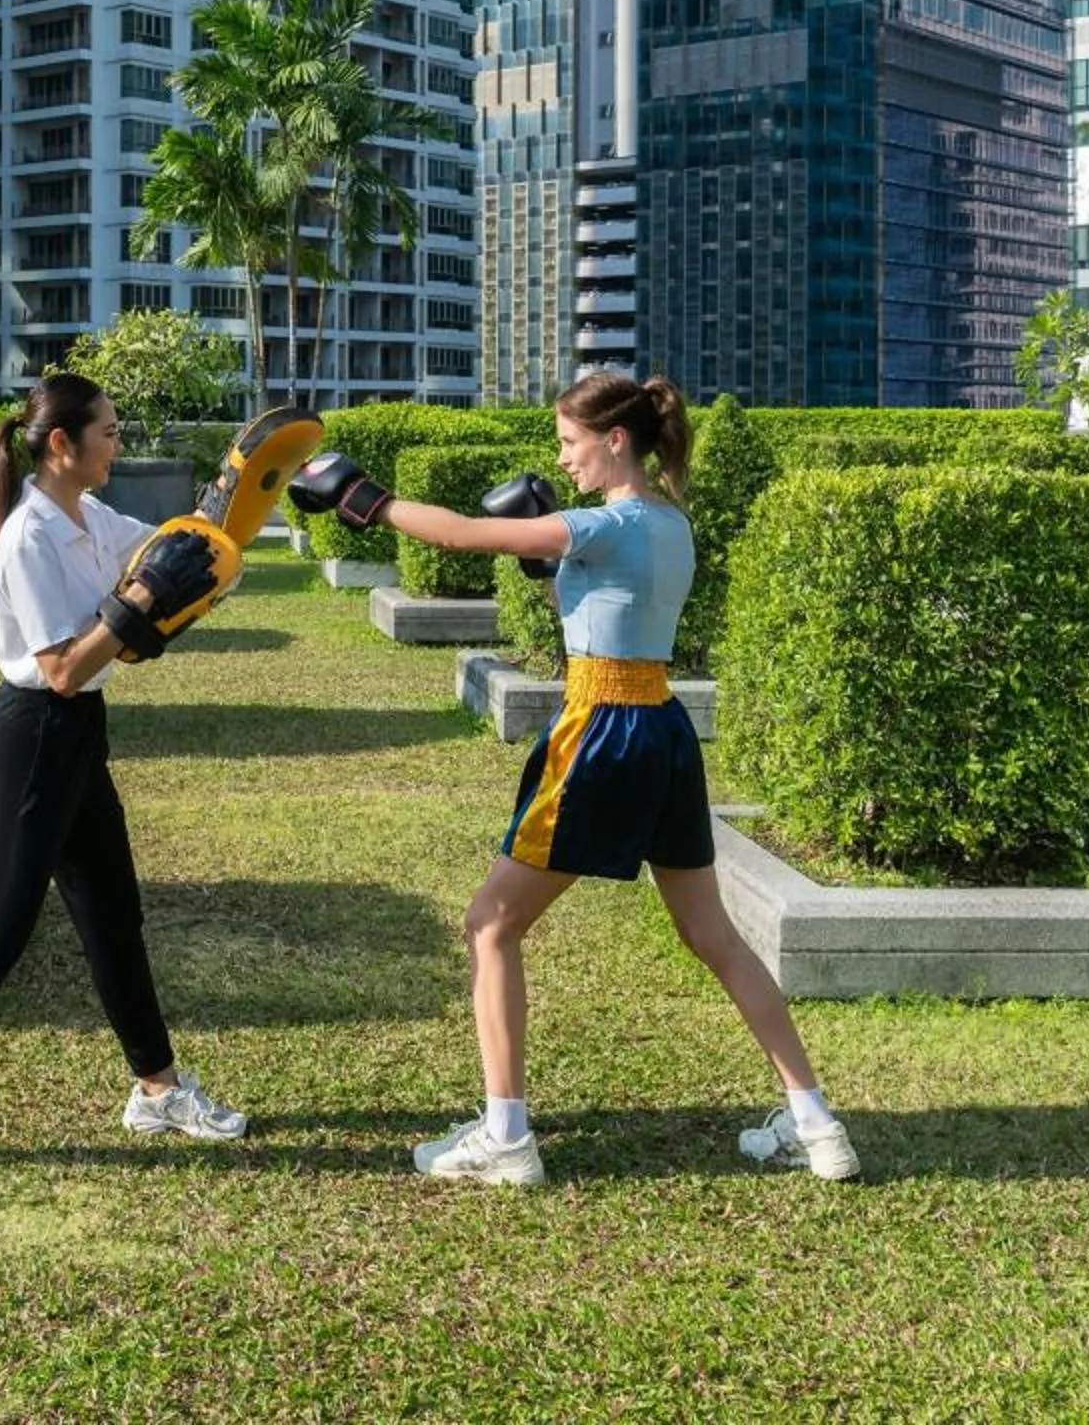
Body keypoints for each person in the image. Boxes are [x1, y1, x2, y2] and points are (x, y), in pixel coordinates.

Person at [288, 375, 860, 1186]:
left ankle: (507, 1138)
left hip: (602, 730)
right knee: (714, 937)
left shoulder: (606, 522)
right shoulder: (669, 522)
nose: (563, 459)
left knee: (490, 926)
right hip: (665, 729)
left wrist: (362, 498)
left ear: (615, 441)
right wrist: (549, 571)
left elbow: (454, 534)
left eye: (570, 443)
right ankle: (818, 1125)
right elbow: (608, 609)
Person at [0, 372, 252, 1188]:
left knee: (114, 915)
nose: (119, 443)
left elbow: (178, 554)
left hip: (78, 738)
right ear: (61, 445)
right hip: (30, 738)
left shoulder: (89, 515)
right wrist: (138, 602)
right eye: (108, 432)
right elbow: (62, 669)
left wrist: (232, 511)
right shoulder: (29, 535)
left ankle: (157, 1089)